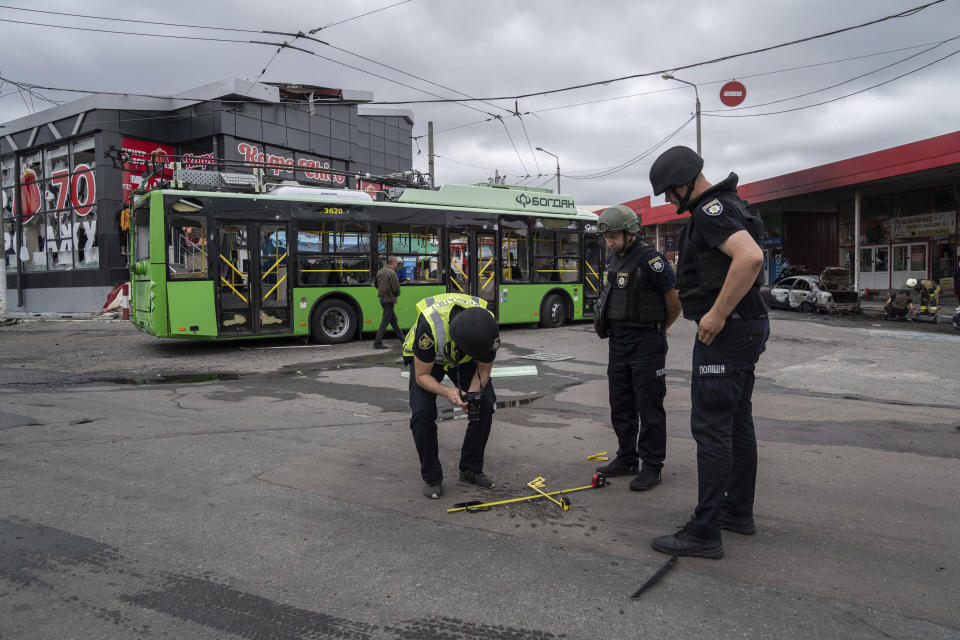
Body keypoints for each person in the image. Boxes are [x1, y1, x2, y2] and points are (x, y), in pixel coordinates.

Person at [646, 146, 770, 559]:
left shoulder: (710, 211)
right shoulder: (730, 205)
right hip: (746, 329)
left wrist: (716, 315)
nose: (667, 200)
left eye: (668, 192)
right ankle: (736, 513)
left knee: (712, 429)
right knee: (736, 424)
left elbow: (750, 257)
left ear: (685, 183)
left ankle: (704, 533)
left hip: (727, 333)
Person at [592, 205, 681, 492]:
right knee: (621, 403)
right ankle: (627, 457)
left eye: (614, 236)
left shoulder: (651, 260)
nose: (610, 242)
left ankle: (652, 466)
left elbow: (674, 301)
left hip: (647, 342)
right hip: (618, 342)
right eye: (607, 238)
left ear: (630, 233)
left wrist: (660, 327)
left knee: (649, 406)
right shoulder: (613, 259)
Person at [402, 293, 500, 499]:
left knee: (484, 404)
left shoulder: (488, 330)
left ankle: (470, 469)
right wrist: (448, 391)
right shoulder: (430, 327)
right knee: (422, 412)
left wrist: (472, 395)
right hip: (429, 361)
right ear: (456, 344)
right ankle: (432, 477)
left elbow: (483, 371)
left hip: (463, 359)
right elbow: (421, 376)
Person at [373, 255, 404, 349]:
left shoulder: (380, 271)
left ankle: (403, 340)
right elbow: (396, 288)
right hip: (389, 300)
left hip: (382, 299)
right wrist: (397, 294)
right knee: (385, 322)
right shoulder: (392, 273)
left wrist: (380, 291)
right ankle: (377, 343)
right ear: (393, 263)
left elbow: (375, 284)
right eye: (396, 263)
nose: (396, 265)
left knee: (393, 321)